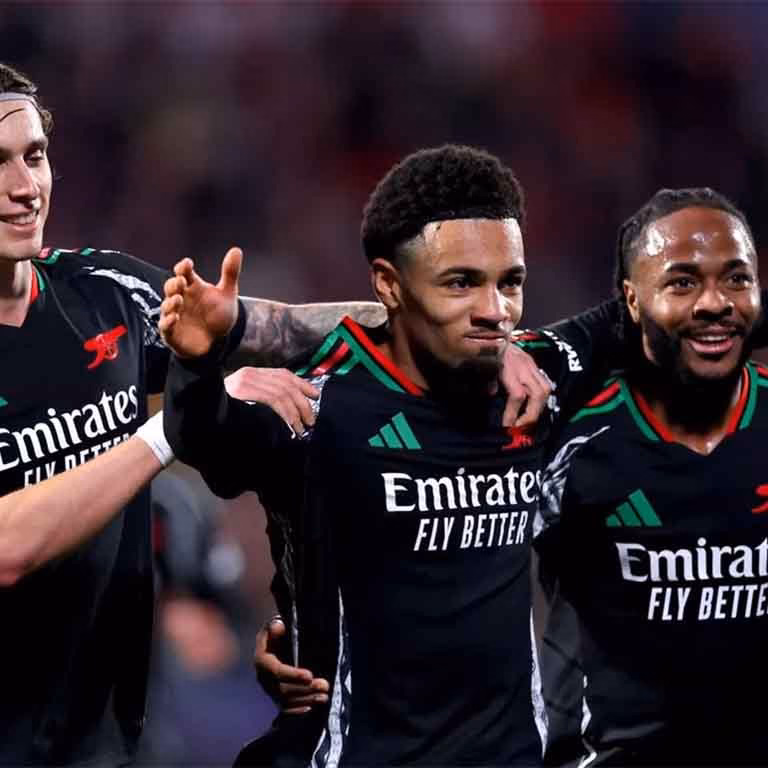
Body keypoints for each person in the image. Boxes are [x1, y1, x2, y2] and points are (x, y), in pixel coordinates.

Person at [161, 144, 633, 766]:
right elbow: (209, 442)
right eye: (461, 283)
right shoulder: (321, 400)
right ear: (388, 283)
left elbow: (656, 316)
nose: (495, 312)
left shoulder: (533, 381)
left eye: (510, 282)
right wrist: (196, 363)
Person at [0, 62, 384, 766]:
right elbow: (6, 547)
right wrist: (167, 427)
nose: (24, 187)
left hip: (110, 746)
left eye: (35, 155)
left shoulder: (106, 293)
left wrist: (438, 323)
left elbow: (283, 332)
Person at [534, 188, 768, 766]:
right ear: (632, 303)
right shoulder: (573, 443)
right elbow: (444, 561)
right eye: (683, 282)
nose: (716, 302)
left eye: (737, 279)